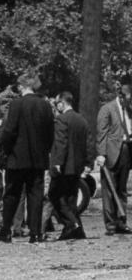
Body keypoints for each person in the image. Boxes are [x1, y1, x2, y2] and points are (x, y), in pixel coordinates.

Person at [0, 72, 55, 243]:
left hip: (17, 158)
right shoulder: (45, 105)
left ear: (22, 86)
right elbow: (50, 133)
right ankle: (35, 233)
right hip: (38, 159)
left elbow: (9, 130)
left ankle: (6, 230)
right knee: (35, 195)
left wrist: (3, 153)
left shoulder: (16, 104)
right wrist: (45, 151)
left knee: (12, 194)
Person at [48, 91, 92, 240]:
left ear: (62, 103)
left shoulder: (61, 119)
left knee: (54, 195)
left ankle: (72, 224)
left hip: (64, 166)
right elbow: (87, 144)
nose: (56, 106)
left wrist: (57, 163)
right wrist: (88, 163)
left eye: (56, 103)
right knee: (71, 199)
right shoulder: (82, 120)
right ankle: (75, 231)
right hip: (77, 166)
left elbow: (61, 143)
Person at [96, 73, 132, 236]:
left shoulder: (130, 110)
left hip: (127, 150)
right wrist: (101, 154)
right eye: (127, 96)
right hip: (111, 152)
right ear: (121, 94)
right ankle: (110, 224)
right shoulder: (107, 109)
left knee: (122, 188)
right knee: (109, 189)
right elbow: (101, 133)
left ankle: (121, 222)